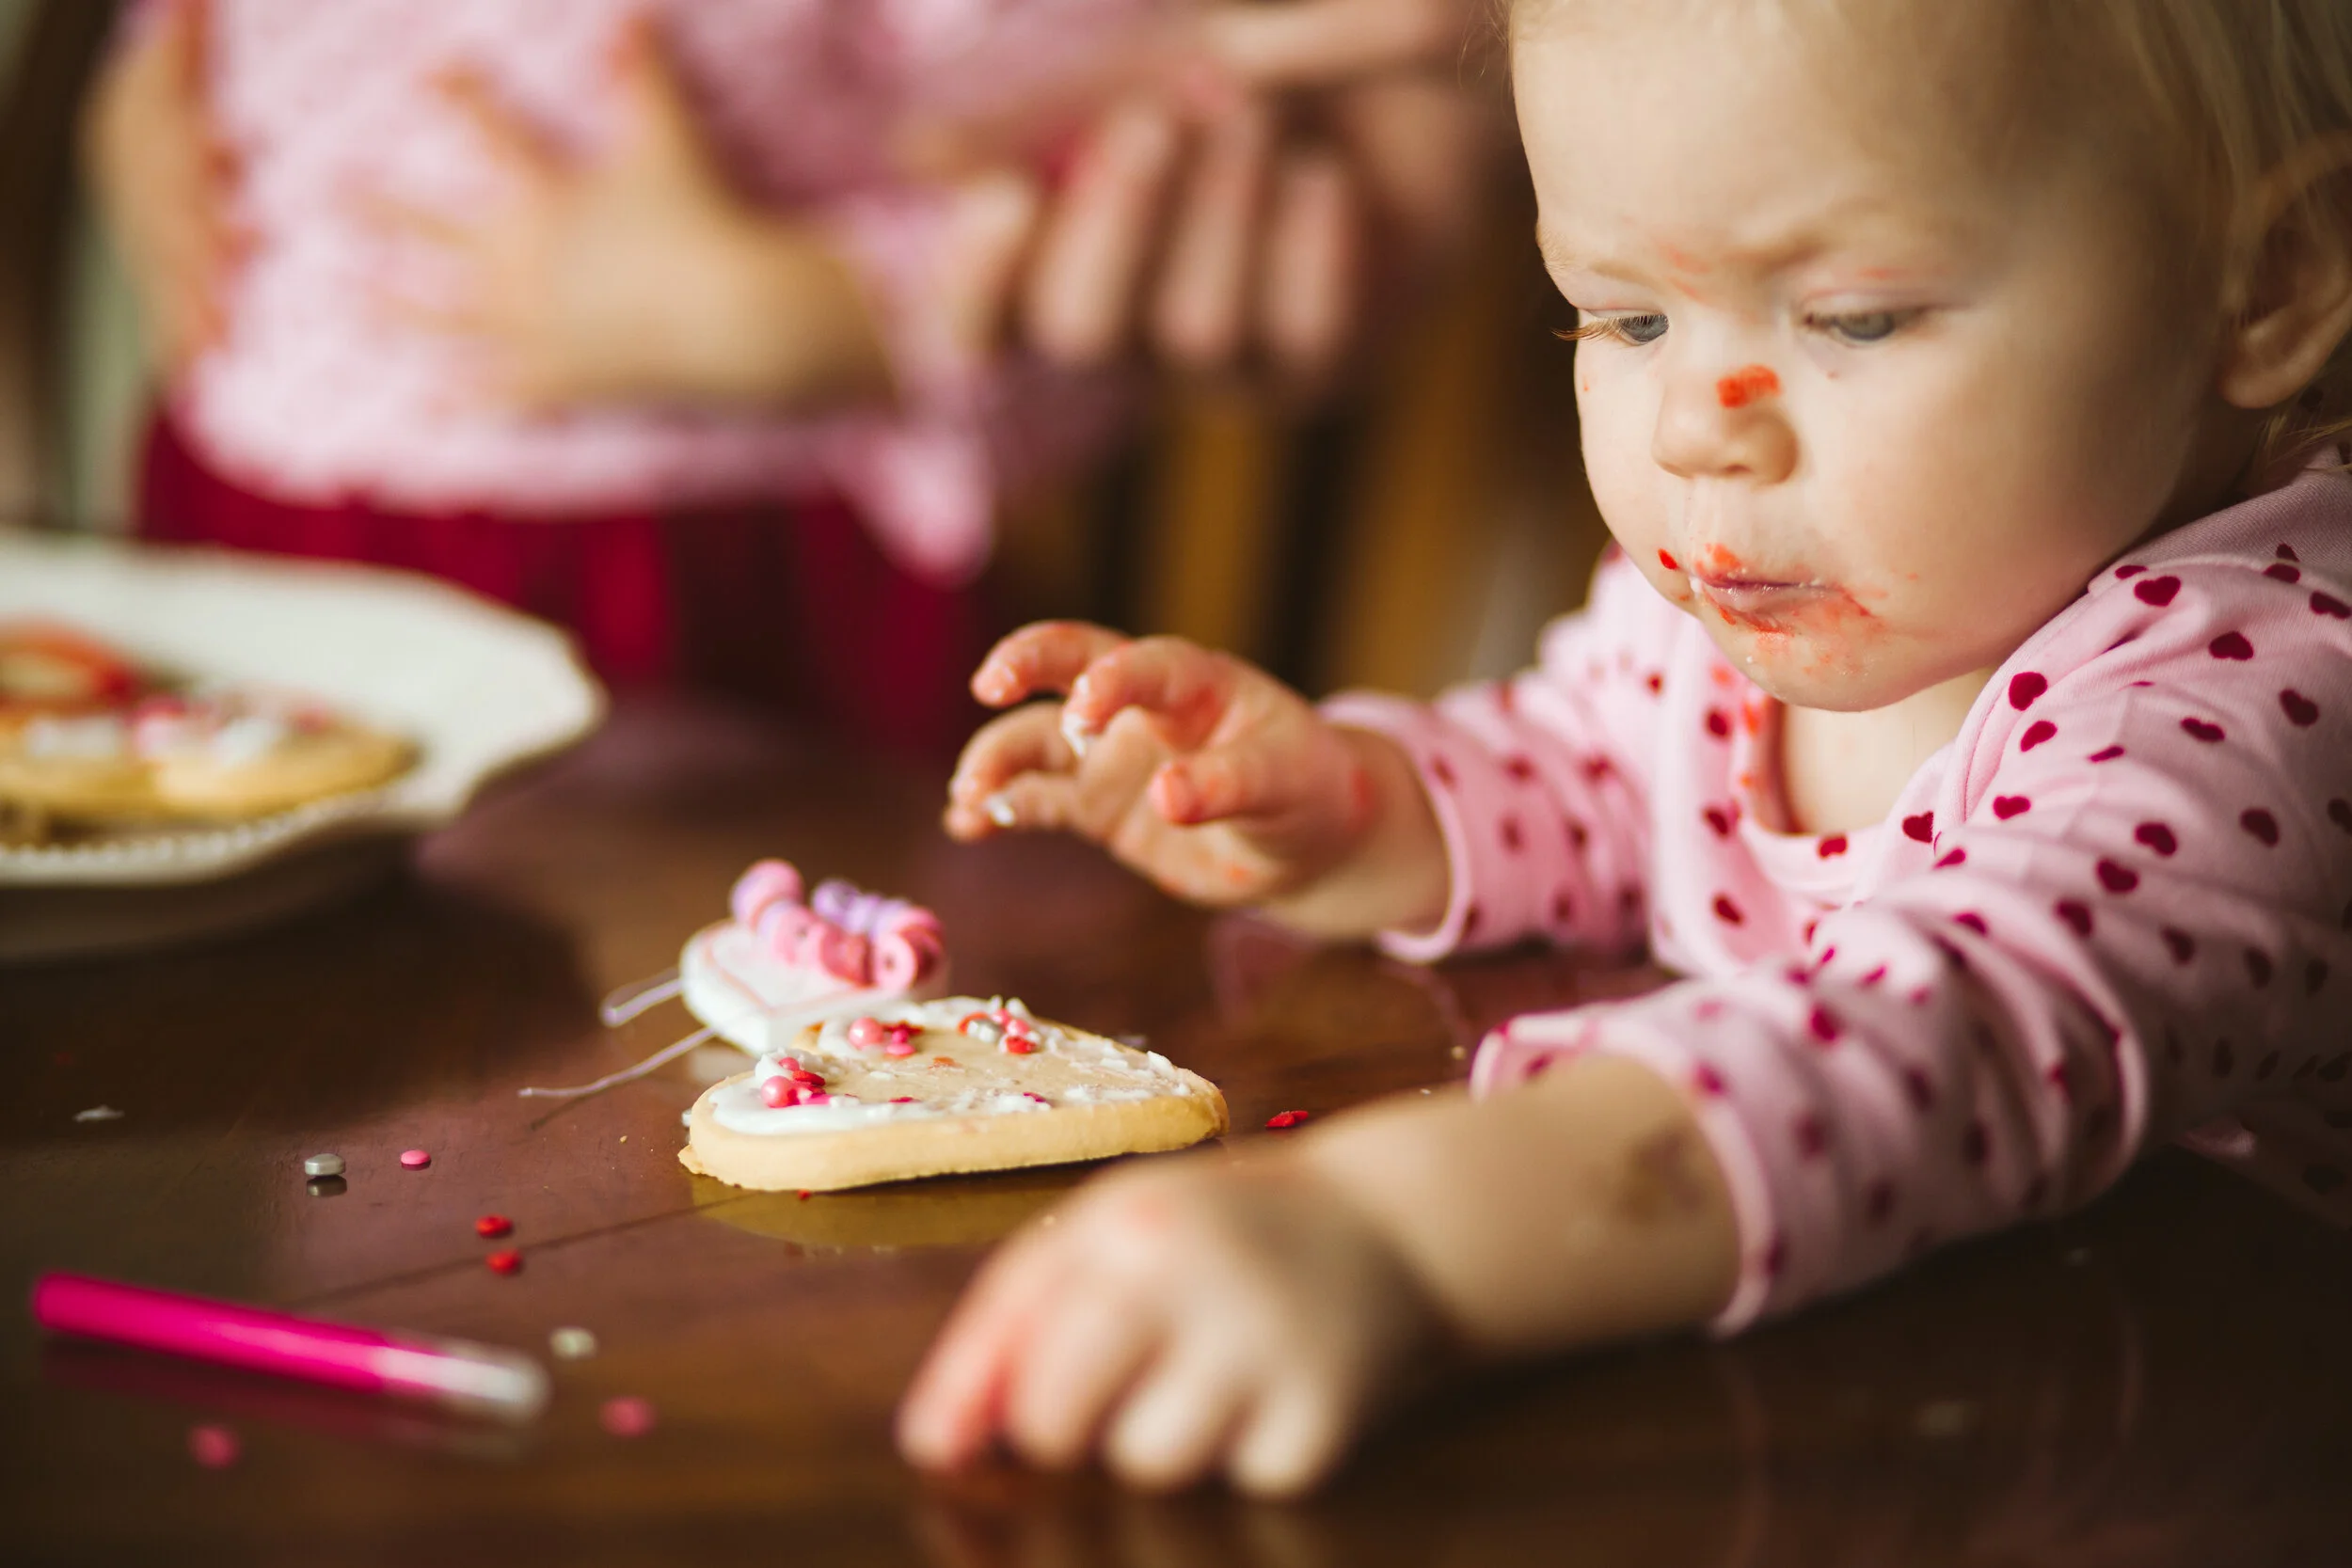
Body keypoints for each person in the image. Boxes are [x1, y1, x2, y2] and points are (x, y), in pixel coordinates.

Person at [898, 0, 2352, 1497]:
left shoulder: (2253, 697)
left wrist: (1403, 1233)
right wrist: (1352, 805)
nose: (1693, 431)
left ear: (2268, 283)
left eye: (1851, 317)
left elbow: (1953, 1036)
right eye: (1626, 317)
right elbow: (1592, 770)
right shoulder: (1784, 589)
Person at [79, 0, 1502, 752]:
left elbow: (1085, 194)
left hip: (711, 603)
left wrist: (798, 317)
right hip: (254, 533)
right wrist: (148, 84)